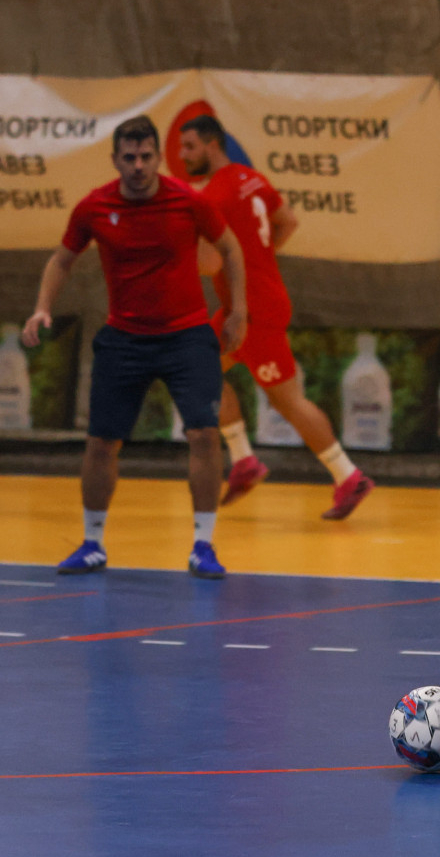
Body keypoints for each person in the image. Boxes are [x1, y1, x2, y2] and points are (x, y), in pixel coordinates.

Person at [22, 115, 247, 579]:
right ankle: (92, 543)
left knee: (204, 434)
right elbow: (62, 259)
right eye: (130, 158)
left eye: (147, 157)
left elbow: (231, 248)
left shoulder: (188, 201)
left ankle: (203, 546)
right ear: (116, 160)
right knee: (102, 442)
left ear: (158, 159)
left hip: (186, 337)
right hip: (124, 338)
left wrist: (239, 310)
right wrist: (42, 307)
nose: (139, 166)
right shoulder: (94, 207)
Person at [177, 115, 374, 520]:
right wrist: (257, 258)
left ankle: (347, 476)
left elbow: (209, 263)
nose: (182, 156)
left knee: (286, 400)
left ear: (213, 145)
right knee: (198, 371)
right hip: (249, 302)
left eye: (190, 147)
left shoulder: (213, 195)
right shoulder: (250, 178)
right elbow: (288, 220)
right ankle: (246, 460)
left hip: (251, 311)